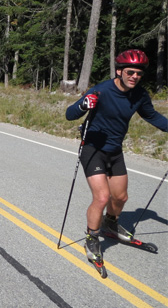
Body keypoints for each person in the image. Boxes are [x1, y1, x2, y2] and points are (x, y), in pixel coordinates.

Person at [65, 49, 167, 264]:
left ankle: (110, 224)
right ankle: (92, 237)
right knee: (102, 197)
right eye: (130, 72)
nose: (134, 77)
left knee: (120, 197)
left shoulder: (140, 95)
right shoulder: (102, 90)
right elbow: (70, 114)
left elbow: (153, 116)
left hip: (114, 150)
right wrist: (83, 105)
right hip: (93, 148)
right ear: (119, 71)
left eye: (139, 74)